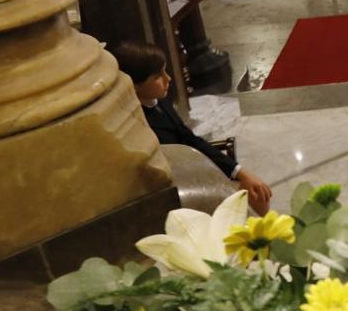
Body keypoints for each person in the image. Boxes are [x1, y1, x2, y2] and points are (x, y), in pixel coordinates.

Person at [112, 41, 273, 216]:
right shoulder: (136, 123)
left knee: (257, 194)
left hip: (193, 170)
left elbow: (190, 139)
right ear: (134, 85)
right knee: (251, 198)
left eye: (165, 71)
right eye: (158, 76)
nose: (168, 79)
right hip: (179, 191)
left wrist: (239, 171)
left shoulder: (159, 101)